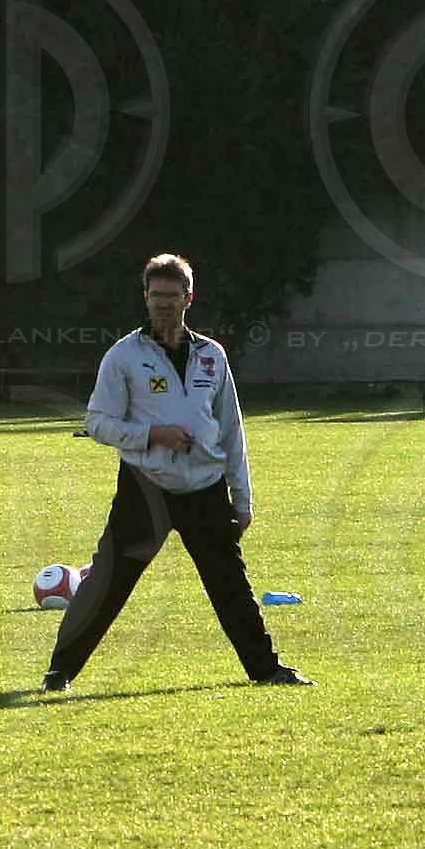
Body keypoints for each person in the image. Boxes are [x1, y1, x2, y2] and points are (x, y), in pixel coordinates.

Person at [45, 255, 307, 691]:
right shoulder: (124, 356)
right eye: (155, 296)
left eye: (172, 296)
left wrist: (242, 499)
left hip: (205, 486)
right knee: (109, 582)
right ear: (145, 298)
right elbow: (97, 423)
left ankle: (267, 670)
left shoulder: (212, 356)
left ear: (189, 298)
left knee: (231, 585)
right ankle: (59, 672)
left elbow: (231, 430)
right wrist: (152, 435)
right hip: (145, 488)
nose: (163, 304)